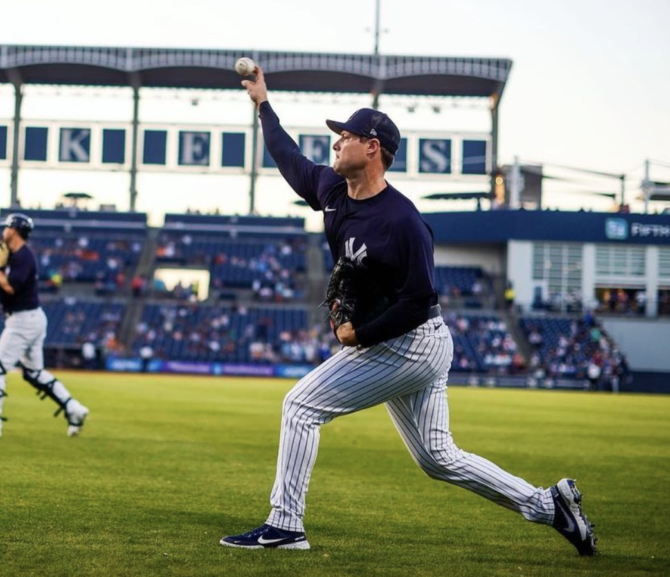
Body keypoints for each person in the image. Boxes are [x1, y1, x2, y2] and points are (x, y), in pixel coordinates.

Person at [220, 66, 597, 555]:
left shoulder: (404, 222)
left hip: (412, 341)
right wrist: (263, 103)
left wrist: (361, 336)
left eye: (346, 136)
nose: (336, 144)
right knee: (439, 458)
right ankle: (551, 506)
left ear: (372, 147)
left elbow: (418, 303)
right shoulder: (333, 192)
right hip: (408, 343)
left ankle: (286, 525)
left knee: (300, 406)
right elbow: (287, 156)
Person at [0, 213, 89, 438]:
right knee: (34, 374)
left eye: (7, 227)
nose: (3, 231)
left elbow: (11, 287)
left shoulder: (24, 257)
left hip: (23, 320)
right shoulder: (11, 254)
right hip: (30, 318)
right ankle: (74, 409)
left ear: (14, 230)